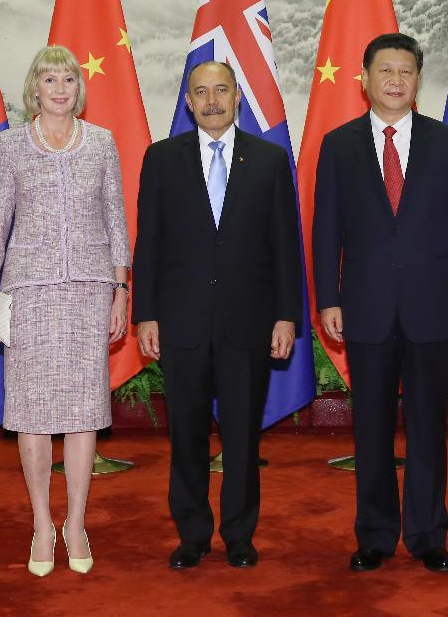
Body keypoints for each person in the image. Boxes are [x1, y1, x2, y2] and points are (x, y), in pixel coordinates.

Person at [313, 33, 448, 573]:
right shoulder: (338, 145)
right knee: (370, 428)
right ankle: (376, 535)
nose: (394, 79)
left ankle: (430, 533)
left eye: (405, 70)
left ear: (417, 80)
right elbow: (325, 232)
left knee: (430, 425)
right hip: (364, 306)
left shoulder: (447, 142)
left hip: (433, 305)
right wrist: (327, 298)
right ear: (363, 79)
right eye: (384, 69)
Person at [132, 61, 301, 570]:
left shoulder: (269, 160)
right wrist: (147, 314)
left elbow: (284, 247)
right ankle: (192, 533)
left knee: (244, 436)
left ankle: (240, 534)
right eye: (200, 92)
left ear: (237, 98)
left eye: (221, 91)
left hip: (248, 322)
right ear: (188, 102)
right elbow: (150, 243)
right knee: (185, 433)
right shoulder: (161, 159)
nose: (211, 101)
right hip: (181, 321)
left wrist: (286, 315)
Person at [0, 44, 130, 577]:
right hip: (29, 293)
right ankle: (42, 521)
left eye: (68, 79)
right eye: (49, 79)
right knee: (33, 415)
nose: (59, 88)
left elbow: (115, 220)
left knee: (85, 414)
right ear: (33, 88)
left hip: (88, 291)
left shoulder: (102, 143)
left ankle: (77, 521)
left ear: (77, 88)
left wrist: (120, 288)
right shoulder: (11, 146)